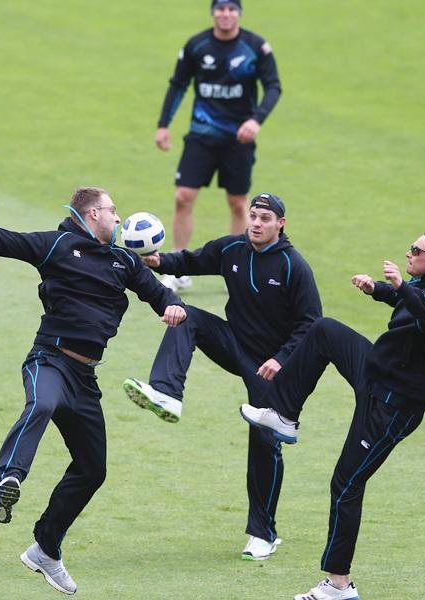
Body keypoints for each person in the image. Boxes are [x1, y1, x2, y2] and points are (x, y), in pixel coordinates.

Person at [0, 187, 186, 595]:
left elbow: (159, 294)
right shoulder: (57, 244)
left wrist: (172, 306)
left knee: (93, 469)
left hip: (85, 379)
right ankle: (8, 480)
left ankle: (45, 548)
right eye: (112, 210)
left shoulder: (124, 261)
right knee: (42, 402)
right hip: (49, 359)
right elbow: (2, 240)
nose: (118, 217)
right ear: (92, 214)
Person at [240, 230, 425, 600]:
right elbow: (409, 304)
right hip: (376, 373)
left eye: (417, 250)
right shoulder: (422, 287)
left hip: (393, 405)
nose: (409, 253)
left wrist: (403, 286)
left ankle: (339, 585)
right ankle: (283, 415)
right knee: (325, 330)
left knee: (346, 485)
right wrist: (380, 290)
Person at [122, 192, 322, 560]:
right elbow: (191, 260)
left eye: (266, 218)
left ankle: (264, 534)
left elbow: (312, 324)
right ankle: (166, 392)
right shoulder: (232, 249)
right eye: (254, 216)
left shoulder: (295, 267)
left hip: (272, 367)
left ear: (281, 224)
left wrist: (281, 359)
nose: (257, 223)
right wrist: (157, 260)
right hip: (235, 345)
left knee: (264, 443)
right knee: (185, 314)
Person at [155, 0, 282, 291]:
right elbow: (178, 84)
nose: (226, 14)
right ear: (213, 12)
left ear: (239, 13)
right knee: (182, 197)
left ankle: (238, 267)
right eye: (220, 8)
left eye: (231, 9)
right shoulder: (197, 46)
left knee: (238, 203)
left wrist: (256, 120)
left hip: (239, 139)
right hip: (201, 136)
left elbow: (273, 86)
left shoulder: (255, 47)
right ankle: (176, 269)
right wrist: (164, 124)